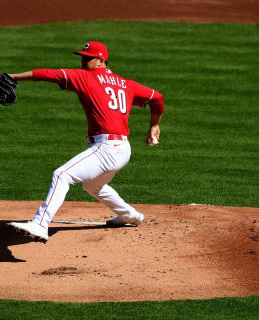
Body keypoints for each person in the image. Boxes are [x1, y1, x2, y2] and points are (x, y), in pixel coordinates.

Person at [8, 41, 164, 242]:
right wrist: (154, 126)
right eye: (82, 57)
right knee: (92, 186)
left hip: (106, 148)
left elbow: (49, 74)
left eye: (87, 57)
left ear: (101, 60)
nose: (83, 61)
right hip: (123, 149)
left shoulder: (86, 78)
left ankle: (40, 224)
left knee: (61, 175)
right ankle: (129, 215)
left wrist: (14, 77)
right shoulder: (126, 84)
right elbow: (157, 98)